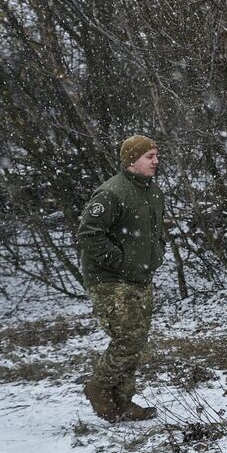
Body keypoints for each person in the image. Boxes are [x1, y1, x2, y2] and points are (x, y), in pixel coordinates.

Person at [77, 134, 165, 422]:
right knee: (127, 338)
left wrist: (156, 255)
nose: (155, 161)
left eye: (156, 155)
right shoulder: (111, 193)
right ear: (132, 161)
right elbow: (90, 235)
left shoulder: (153, 192)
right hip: (110, 280)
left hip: (141, 277)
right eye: (149, 157)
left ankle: (123, 402)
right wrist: (121, 263)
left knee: (136, 341)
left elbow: (155, 232)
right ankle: (99, 388)